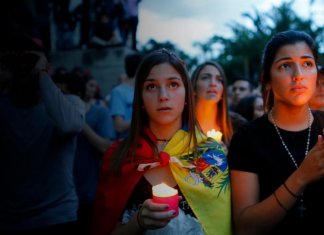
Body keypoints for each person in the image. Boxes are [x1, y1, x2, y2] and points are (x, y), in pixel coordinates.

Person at [92, 48, 232, 235]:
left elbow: (222, 223)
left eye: (173, 84)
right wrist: (138, 223)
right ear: (140, 98)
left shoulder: (211, 154)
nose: (163, 95)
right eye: (151, 86)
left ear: (186, 95)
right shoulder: (118, 156)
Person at [227, 30, 324, 235]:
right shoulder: (247, 139)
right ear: (267, 80)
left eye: (307, 63)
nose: (298, 75)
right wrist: (301, 176)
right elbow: (245, 227)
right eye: (285, 65)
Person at [0, 33, 85, 234]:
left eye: (30, 59)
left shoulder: (70, 103)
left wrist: (42, 74)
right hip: (9, 218)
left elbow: (68, 126)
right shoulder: (3, 108)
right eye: (15, 60)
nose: (22, 65)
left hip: (57, 215)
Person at [190, 61, 234, 146]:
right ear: (194, 87)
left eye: (219, 80)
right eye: (205, 78)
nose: (213, 83)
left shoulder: (236, 125)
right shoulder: (179, 125)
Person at [109, 52, 142, 139]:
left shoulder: (144, 89)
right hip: (129, 144)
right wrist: (144, 117)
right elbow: (119, 126)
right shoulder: (118, 92)